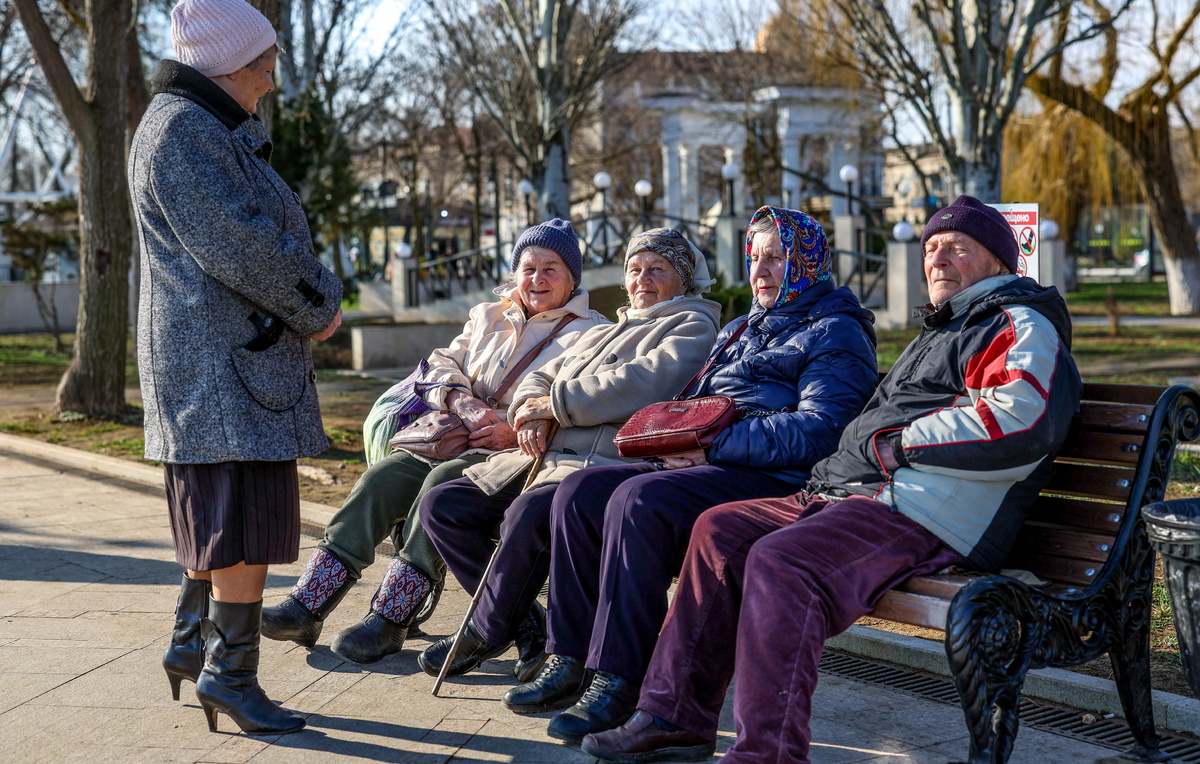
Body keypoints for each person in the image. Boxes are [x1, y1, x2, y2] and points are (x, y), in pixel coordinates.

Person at [581, 195, 1084, 763]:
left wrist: (898, 445)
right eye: (932, 248)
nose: (939, 259)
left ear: (998, 261)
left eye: (958, 249)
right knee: (719, 531)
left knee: (782, 561)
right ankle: (675, 716)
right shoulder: (947, 326)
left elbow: (1022, 420)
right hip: (853, 494)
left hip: (923, 510)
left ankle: (767, 753)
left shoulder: (1015, 321)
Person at [506, 207, 879, 745]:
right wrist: (679, 442)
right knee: (580, 491)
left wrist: (712, 445)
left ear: (808, 261)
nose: (761, 271)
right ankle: (571, 656)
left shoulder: (837, 331)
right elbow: (693, 405)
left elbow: (820, 430)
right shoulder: (740, 327)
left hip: (777, 478)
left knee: (639, 502)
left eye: (776, 258)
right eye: (754, 258)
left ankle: (620, 679)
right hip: (710, 462)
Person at [129, 0, 343, 735]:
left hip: (225, 363)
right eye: (265, 64)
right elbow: (242, 245)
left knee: (228, 521)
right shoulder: (185, 131)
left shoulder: (198, 126)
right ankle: (229, 674)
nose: (272, 81)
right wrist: (321, 305)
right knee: (241, 526)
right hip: (221, 368)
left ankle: (196, 640)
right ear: (227, 64)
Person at [260, 219, 607, 669]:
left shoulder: (591, 331)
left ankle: (391, 617)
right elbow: (441, 363)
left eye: (551, 269)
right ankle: (308, 605)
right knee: (382, 478)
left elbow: (575, 402)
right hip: (454, 434)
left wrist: (512, 426)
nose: (536, 279)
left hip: (513, 453)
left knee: (440, 485)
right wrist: (461, 401)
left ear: (572, 278)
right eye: (528, 267)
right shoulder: (488, 314)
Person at [415, 228, 724, 682]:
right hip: (543, 457)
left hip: (598, 465)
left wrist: (555, 406)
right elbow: (539, 379)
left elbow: (642, 383)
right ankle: (522, 623)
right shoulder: (613, 326)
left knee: (527, 513)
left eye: (658, 269)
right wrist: (535, 410)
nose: (643, 280)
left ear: (683, 277)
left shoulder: (692, 323)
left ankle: (486, 629)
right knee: (442, 505)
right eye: (634, 270)